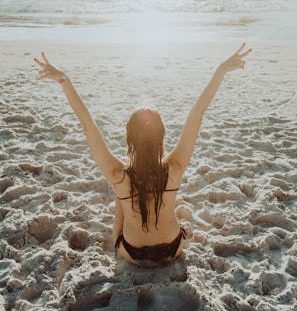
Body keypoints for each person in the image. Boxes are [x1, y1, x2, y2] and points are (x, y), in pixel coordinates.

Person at [34, 43, 251, 266]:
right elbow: (197, 113)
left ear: (129, 138)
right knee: (162, 201)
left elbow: (87, 124)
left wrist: (64, 80)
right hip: (173, 249)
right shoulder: (175, 166)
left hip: (132, 253)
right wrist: (219, 72)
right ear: (161, 136)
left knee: (121, 198)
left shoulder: (118, 173)